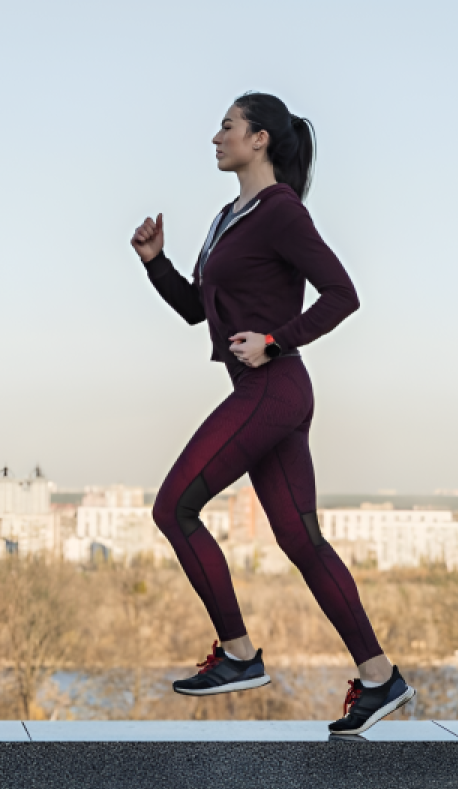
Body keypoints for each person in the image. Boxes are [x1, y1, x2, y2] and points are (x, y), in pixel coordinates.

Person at [129, 91, 414, 735]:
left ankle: (238, 655)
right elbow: (197, 309)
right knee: (300, 541)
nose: (215, 137)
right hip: (271, 396)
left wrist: (276, 341)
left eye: (227, 126)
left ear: (259, 139)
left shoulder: (281, 212)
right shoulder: (229, 216)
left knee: (173, 508)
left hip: (273, 389)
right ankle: (379, 677)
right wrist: (155, 264)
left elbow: (344, 294)